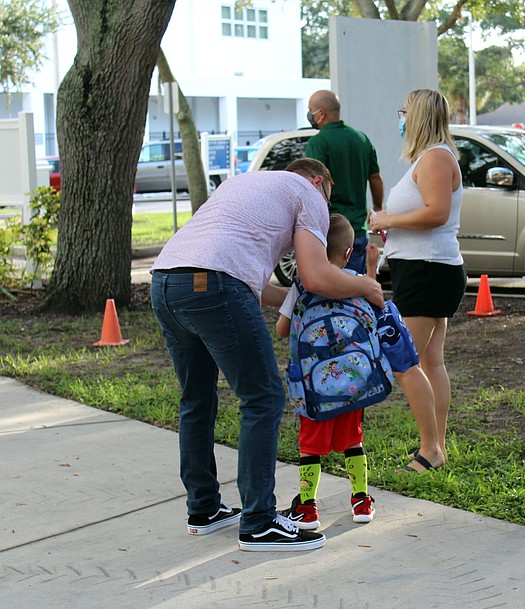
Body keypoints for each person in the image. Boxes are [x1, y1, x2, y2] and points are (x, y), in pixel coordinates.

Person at [150, 158, 384, 552]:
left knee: (197, 398)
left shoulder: (246, 185)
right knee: (264, 398)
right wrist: (365, 285)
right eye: (326, 198)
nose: (322, 216)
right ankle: (259, 522)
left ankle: (204, 507)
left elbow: (263, 290)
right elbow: (315, 275)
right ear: (317, 181)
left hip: (167, 282)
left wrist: (299, 301)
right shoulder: (308, 193)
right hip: (216, 284)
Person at [369, 89, 465, 473]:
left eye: (404, 111)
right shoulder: (428, 158)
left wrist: (387, 219)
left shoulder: (436, 158)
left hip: (429, 272)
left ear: (419, 116)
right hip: (426, 268)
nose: (401, 118)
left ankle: (430, 450)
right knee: (429, 361)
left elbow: (437, 213)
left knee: (403, 361)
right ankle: (436, 446)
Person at [275, 214, 379, 530]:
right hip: (352, 383)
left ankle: (308, 508)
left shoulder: (302, 283)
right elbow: (375, 316)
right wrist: (371, 270)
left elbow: (282, 329)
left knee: (310, 446)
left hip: (312, 387)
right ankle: (361, 501)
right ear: (348, 253)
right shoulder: (356, 280)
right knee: (353, 441)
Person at [305, 89, 384, 274]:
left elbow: (312, 186)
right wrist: (378, 208)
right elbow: (376, 178)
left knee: (330, 295)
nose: (309, 115)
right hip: (358, 231)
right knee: (353, 293)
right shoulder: (362, 139)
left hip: (331, 232)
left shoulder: (318, 143)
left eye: (311, 110)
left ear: (321, 113)